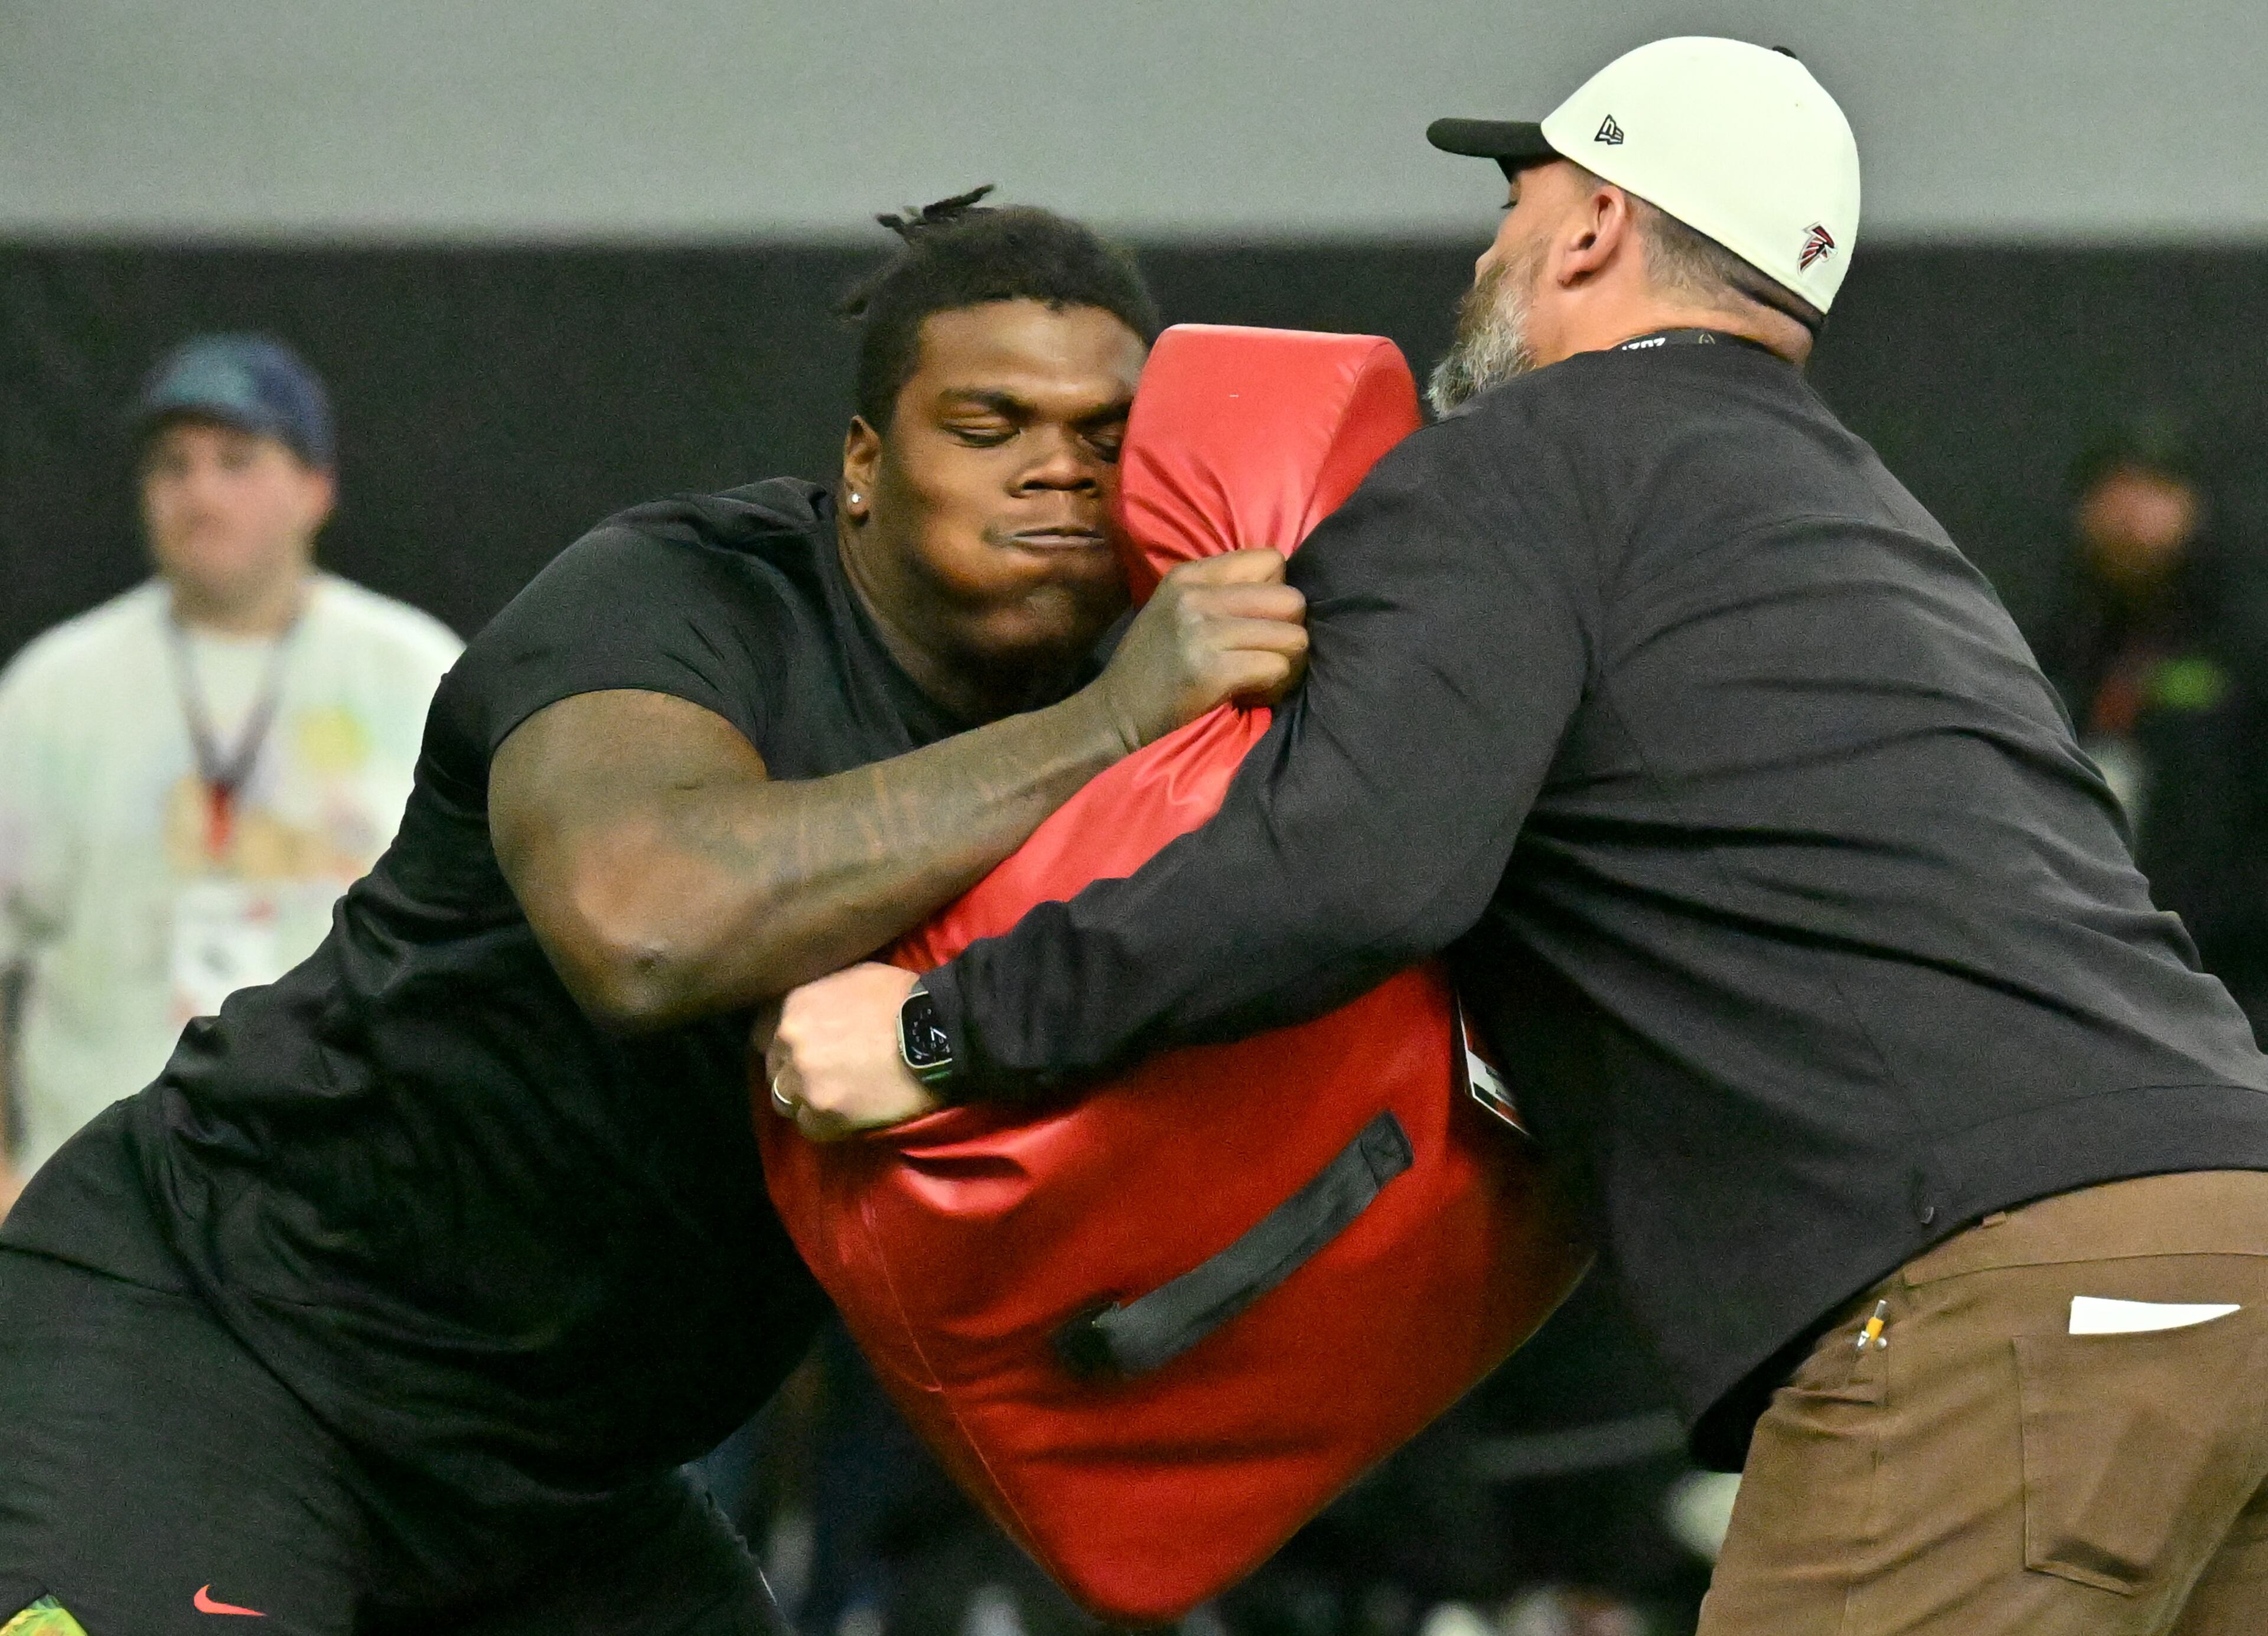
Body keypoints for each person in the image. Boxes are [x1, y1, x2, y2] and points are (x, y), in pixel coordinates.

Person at [771, 41, 2268, 1635]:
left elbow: (1346, 868)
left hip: (1999, 1293)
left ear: (1593, 231)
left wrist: (944, 1025)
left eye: (1516, 199)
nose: (1487, 246)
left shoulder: (1519, 470)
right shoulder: (1869, 525)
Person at [0, 195, 1306, 1636]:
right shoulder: (679, 599)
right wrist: (1110, 722)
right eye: (989, 426)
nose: (1055, 473)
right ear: (866, 463)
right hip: (223, 1341)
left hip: (567, 1475)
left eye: (1104, 436)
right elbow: (642, 925)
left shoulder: (1164, 716)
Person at [0, 335, 461, 1217]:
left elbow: (485, 947)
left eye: (237, 461)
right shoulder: (52, 692)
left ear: (315, 489)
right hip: (99, 1192)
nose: (200, 492)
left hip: (349, 1187)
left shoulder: (416, 676)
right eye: (174, 465)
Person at [2038, 422, 2268, 1037]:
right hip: (2077, 968)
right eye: (2116, 492)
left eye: (2154, 493)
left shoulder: (2246, 647)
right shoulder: (2055, 649)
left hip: (2229, 981)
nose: (2132, 515)